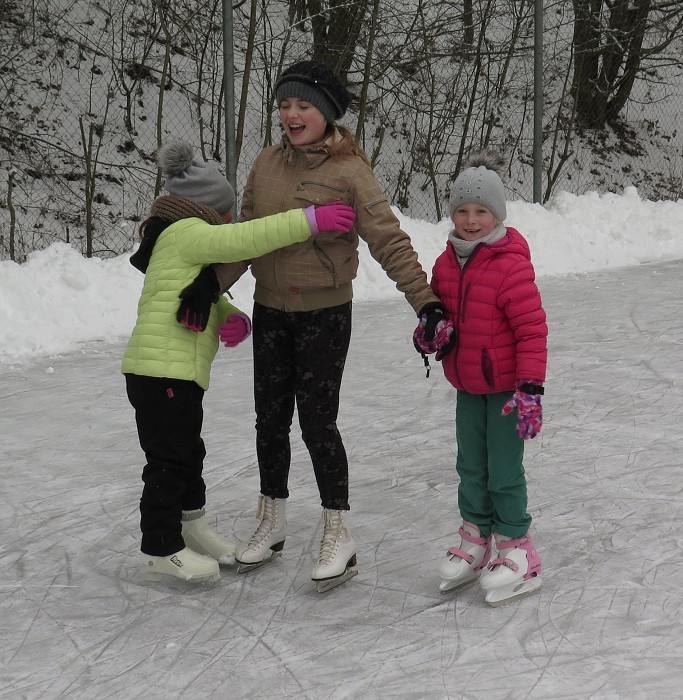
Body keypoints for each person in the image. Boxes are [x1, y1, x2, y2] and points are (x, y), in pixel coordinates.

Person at [176, 60, 446, 592]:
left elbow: (389, 241)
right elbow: (244, 237)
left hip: (325, 312)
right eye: (284, 105)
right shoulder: (267, 163)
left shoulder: (350, 171)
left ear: (326, 112)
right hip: (273, 308)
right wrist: (211, 284)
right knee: (268, 419)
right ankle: (271, 519)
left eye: (302, 105)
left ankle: (337, 530)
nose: (291, 114)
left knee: (317, 422)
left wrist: (427, 303)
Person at [122, 140, 355, 584]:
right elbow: (244, 239)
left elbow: (192, 291)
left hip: (175, 373)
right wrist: (308, 220)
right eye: (226, 213)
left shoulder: (178, 241)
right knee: (169, 460)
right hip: (160, 372)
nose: (230, 220)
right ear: (207, 211)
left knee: (189, 452)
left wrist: (230, 317)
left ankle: (191, 526)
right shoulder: (185, 232)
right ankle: (159, 545)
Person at [413, 149, 547, 606]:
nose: (471, 221)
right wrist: (432, 333)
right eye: (463, 211)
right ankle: (475, 537)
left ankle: (517, 546)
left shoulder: (510, 263)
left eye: (481, 212)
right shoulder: (447, 263)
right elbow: (442, 317)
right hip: (467, 387)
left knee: (504, 472)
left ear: (497, 214)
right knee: (470, 467)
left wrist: (530, 387)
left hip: (508, 391)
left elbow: (531, 330)